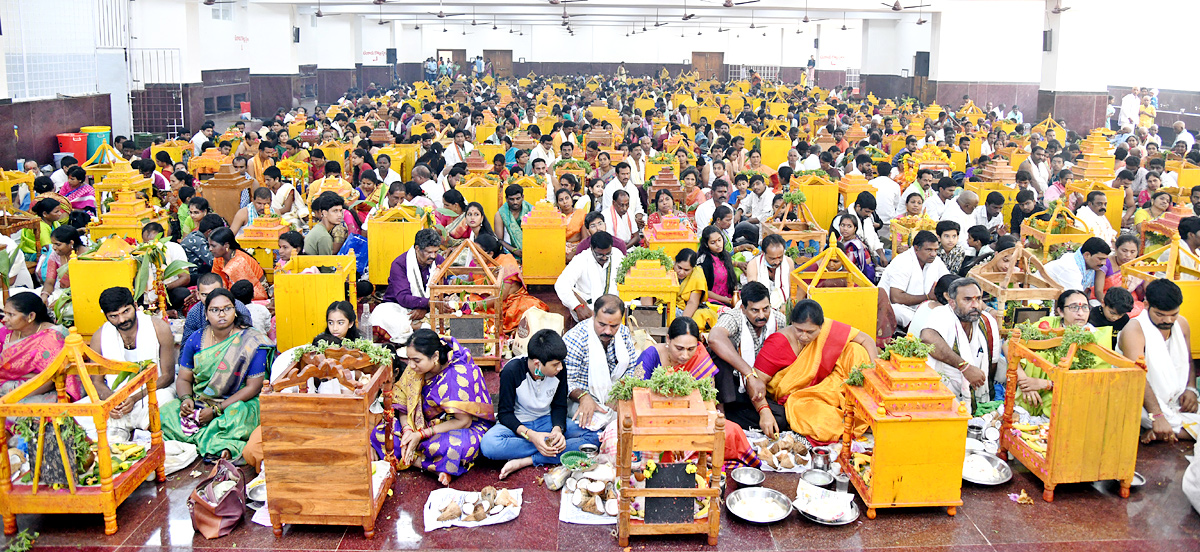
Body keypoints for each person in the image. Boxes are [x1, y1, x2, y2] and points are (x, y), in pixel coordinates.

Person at [160, 289, 273, 461]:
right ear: (206, 314)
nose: (222, 314)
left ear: (235, 311)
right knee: (165, 413)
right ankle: (217, 443)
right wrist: (186, 399)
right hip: (201, 401)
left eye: (227, 308)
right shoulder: (195, 339)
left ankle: (210, 442)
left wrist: (216, 410)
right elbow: (183, 378)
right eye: (215, 310)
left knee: (238, 416)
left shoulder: (252, 340)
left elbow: (253, 387)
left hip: (237, 402)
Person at [636, 316, 761, 468]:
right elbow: (638, 398)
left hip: (691, 420)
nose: (685, 355)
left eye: (691, 349)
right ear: (668, 340)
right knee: (664, 446)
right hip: (656, 421)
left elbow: (708, 401)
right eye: (679, 348)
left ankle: (699, 456)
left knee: (732, 431)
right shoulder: (650, 356)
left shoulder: (700, 357)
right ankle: (697, 457)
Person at [755, 300, 878, 442]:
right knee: (817, 418)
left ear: (821, 327)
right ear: (792, 323)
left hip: (830, 383)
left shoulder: (828, 330)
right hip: (798, 398)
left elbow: (867, 340)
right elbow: (756, 381)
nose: (804, 336)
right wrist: (764, 411)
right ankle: (857, 423)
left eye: (810, 332)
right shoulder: (778, 343)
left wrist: (874, 376)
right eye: (799, 330)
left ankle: (862, 406)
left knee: (856, 350)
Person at [482, 329, 599, 479]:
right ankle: (548, 449)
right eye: (555, 365)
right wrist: (532, 437)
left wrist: (557, 430)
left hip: (547, 422)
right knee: (489, 445)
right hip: (520, 425)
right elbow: (505, 414)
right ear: (537, 363)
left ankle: (526, 460)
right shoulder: (512, 371)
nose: (560, 368)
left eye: (560, 363)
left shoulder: (559, 371)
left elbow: (559, 405)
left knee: (594, 437)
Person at [84, 287, 177, 442]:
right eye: (114, 316)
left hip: (153, 392)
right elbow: (97, 382)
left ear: (135, 305)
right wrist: (111, 401)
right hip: (117, 399)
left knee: (165, 402)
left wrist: (134, 398)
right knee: (78, 416)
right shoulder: (99, 337)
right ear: (105, 316)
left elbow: (167, 376)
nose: (122, 320)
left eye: (126, 311)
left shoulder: (159, 328)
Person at [1118, 279, 1198, 442]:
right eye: (1160, 315)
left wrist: (1191, 389)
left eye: (1173, 314)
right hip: (1140, 401)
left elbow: (1188, 361)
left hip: (1175, 400)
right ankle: (1164, 431)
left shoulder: (1182, 324)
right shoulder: (1134, 330)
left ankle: (1163, 432)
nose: (1168, 321)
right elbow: (1137, 377)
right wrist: (1157, 415)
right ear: (1146, 305)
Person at [706, 282, 789, 436]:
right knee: (717, 352)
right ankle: (721, 410)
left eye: (766, 309)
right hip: (731, 387)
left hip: (760, 387)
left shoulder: (779, 320)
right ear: (743, 309)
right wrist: (749, 374)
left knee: (782, 418)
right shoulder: (734, 316)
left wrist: (757, 381)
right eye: (755, 310)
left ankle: (728, 419)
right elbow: (714, 338)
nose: (762, 315)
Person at [562, 294, 637, 433]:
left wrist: (619, 394)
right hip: (581, 399)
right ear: (593, 316)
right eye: (602, 324)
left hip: (615, 396)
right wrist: (584, 397)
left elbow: (631, 367)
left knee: (637, 414)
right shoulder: (576, 339)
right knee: (602, 422)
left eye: (614, 326)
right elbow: (566, 382)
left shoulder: (624, 333)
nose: (608, 331)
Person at [921, 277, 1002, 404]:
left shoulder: (987, 321)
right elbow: (927, 337)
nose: (975, 305)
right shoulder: (942, 314)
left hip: (976, 395)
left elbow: (993, 363)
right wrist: (965, 368)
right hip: (941, 395)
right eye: (967, 299)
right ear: (952, 302)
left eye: (978, 299)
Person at [0, 293, 78, 401]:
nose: (4, 319)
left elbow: (51, 379)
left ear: (31, 316)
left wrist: (15, 396)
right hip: (6, 386)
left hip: (41, 391)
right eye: (4, 313)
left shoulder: (52, 337)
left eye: (11, 314)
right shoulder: (5, 332)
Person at [375, 229, 444, 344]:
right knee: (380, 314)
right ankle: (417, 327)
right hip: (400, 308)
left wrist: (426, 307)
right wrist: (428, 303)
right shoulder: (399, 264)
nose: (433, 256)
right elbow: (403, 297)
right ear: (417, 249)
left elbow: (444, 289)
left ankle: (419, 328)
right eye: (429, 252)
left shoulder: (438, 260)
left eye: (436, 251)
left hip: (430, 308)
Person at [880, 230, 950, 327]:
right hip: (900, 309)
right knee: (896, 310)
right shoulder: (903, 261)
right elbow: (896, 298)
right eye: (929, 250)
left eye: (936, 250)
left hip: (924, 309)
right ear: (916, 248)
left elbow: (948, 280)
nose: (933, 254)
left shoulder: (936, 261)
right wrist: (928, 297)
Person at [556, 231, 623, 322]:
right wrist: (577, 306)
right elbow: (561, 284)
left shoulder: (617, 255)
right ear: (591, 249)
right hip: (588, 310)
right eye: (600, 255)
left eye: (607, 254)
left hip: (612, 308)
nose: (604, 258)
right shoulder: (581, 259)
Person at [208, 227, 268, 301]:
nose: (210, 249)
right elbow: (217, 281)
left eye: (213, 246)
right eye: (209, 245)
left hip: (254, 295)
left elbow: (242, 290)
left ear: (226, 245)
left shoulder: (239, 261)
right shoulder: (218, 259)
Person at [1044, 237, 1110, 298]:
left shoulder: (1087, 265)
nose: (1104, 263)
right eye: (1100, 259)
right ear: (1087, 255)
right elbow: (1078, 298)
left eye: (1105, 260)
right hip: (1040, 300)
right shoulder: (1070, 267)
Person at [744, 234, 793, 310]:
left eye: (780, 257)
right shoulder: (753, 265)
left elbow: (792, 290)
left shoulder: (789, 262)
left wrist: (786, 305)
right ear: (763, 253)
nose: (777, 262)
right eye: (772, 259)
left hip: (784, 307)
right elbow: (753, 293)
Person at [697, 225, 737, 306]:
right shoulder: (704, 261)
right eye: (713, 242)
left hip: (728, 297)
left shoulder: (726, 256)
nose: (718, 244)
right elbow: (704, 290)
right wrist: (725, 300)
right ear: (706, 244)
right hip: (712, 301)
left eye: (719, 240)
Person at [495, 184, 532, 257]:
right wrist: (515, 251)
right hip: (509, 253)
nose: (515, 202)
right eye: (512, 199)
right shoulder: (500, 214)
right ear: (506, 199)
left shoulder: (531, 210)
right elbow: (499, 240)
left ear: (523, 197)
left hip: (531, 250)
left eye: (518, 199)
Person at [304, 191, 345, 256]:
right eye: (335, 211)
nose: (339, 215)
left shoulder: (319, 228)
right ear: (324, 213)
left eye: (340, 211)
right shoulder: (324, 237)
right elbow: (326, 265)